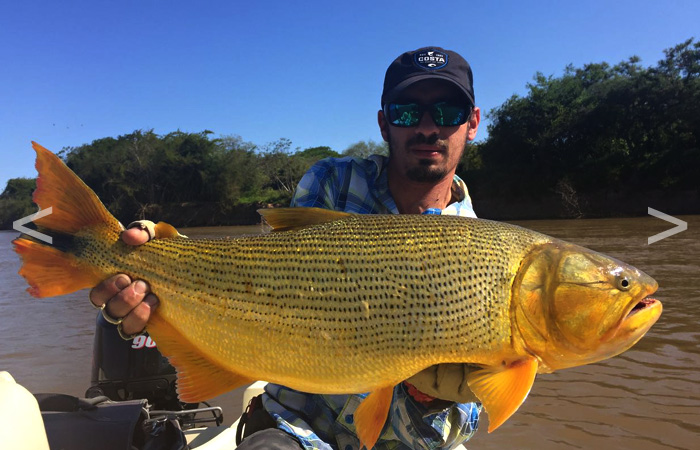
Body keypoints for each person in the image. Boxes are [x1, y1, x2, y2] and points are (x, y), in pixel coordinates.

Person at [90, 46, 483, 450]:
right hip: (297, 425)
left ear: (472, 123)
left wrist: (431, 397)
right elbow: (268, 275)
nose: (426, 127)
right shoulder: (335, 182)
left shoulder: (489, 258)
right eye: (406, 112)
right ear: (384, 124)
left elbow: (467, 419)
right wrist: (162, 254)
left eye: (447, 112)